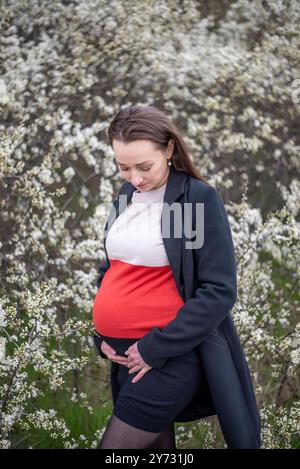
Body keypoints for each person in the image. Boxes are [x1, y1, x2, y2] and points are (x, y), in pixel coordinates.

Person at [92, 105, 261, 449]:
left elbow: (218, 290)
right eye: (123, 167)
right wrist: (101, 337)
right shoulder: (127, 197)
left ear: (169, 149)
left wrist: (155, 348)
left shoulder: (192, 202)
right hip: (126, 358)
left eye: (144, 166)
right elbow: (112, 268)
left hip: (168, 358)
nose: (135, 178)